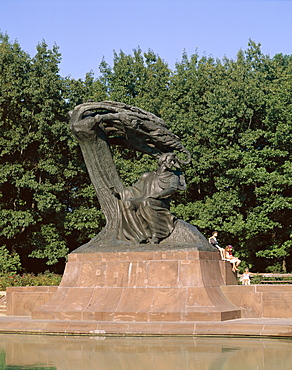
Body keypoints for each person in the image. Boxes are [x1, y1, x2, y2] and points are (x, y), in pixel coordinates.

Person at [116, 153, 187, 244]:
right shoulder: (148, 175)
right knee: (127, 203)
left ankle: (156, 235)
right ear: (163, 161)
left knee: (146, 202)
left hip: (161, 201)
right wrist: (120, 193)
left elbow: (173, 188)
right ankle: (139, 235)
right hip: (145, 199)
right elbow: (135, 188)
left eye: (174, 161)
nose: (173, 163)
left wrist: (158, 195)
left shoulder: (173, 177)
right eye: (171, 160)